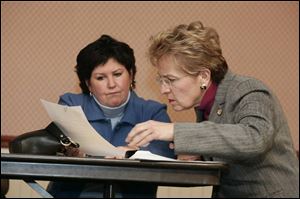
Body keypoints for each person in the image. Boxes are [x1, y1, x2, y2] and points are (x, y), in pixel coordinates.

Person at [125, 21, 299, 198]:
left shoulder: (248, 90)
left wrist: (175, 131)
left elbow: (255, 138)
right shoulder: (206, 107)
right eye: (161, 80)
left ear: (203, 76)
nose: (163, 89)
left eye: (171, 79)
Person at [47, 34, 175, 198]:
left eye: (117, 74)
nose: (112, 84)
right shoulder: (71, 104)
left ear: (130, 74)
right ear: (88, 84)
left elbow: (164, 158)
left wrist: (130, 154)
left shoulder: (152, 111)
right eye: (100, 78)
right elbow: (57, 149)